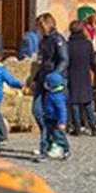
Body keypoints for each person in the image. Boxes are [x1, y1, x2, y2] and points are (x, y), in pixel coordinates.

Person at [31, 12, 68, 140]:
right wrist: (35, 78)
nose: (37, 30)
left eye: (39, 26)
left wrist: (55, 75)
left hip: (53, 81)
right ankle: (47, 136)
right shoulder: (43, 41)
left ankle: (55, 141)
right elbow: (42, 62)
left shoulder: (58, 39)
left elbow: (64, 59)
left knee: (52, 113)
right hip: (42, 79)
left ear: (46, 25)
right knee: (36, 110)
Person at [66, 16, 96, 136]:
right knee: (87, 102)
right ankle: (93, 126)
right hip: (85, 74)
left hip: (73, 74)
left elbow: (66, 61)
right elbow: (92, 61)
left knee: (74, 102)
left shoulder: (68, 45)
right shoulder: (88, 44)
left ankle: (77, 128)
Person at [36, 65, 70, 160]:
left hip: (56, 120)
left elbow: (63, 110)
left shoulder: (58, 97)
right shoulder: (50, 94)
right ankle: (43, 153)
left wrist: (62, 122)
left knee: (59, 136)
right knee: (45, 137)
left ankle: (65, 149)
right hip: (48, 118)